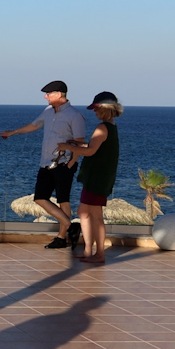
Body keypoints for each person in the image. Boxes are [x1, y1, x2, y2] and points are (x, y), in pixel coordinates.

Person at [0, 80, 87, 249]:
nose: (45, 97)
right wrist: (13, 132)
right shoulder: (48, 111)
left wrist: (71, 163)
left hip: (64, 164)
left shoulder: (75, 115)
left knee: (63, 201)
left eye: (48, 94)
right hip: (46, 163)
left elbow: (80, 142)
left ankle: (61, 238)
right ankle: (71, 226)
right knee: (40, 198)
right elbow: (35, 125)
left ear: (59, 94)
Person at [57, 91, 122, 265]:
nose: (95, 111)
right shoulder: (111, 126)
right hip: (98, 177)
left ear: (105, 108)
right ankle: (88, 249)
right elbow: (95, 146)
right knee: (83, 213)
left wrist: (67, 147)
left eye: (97, 108)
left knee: (95, 216)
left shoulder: (102, 128)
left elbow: (91, 151)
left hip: (97, 178)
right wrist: (77, 143)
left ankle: (99, 253)